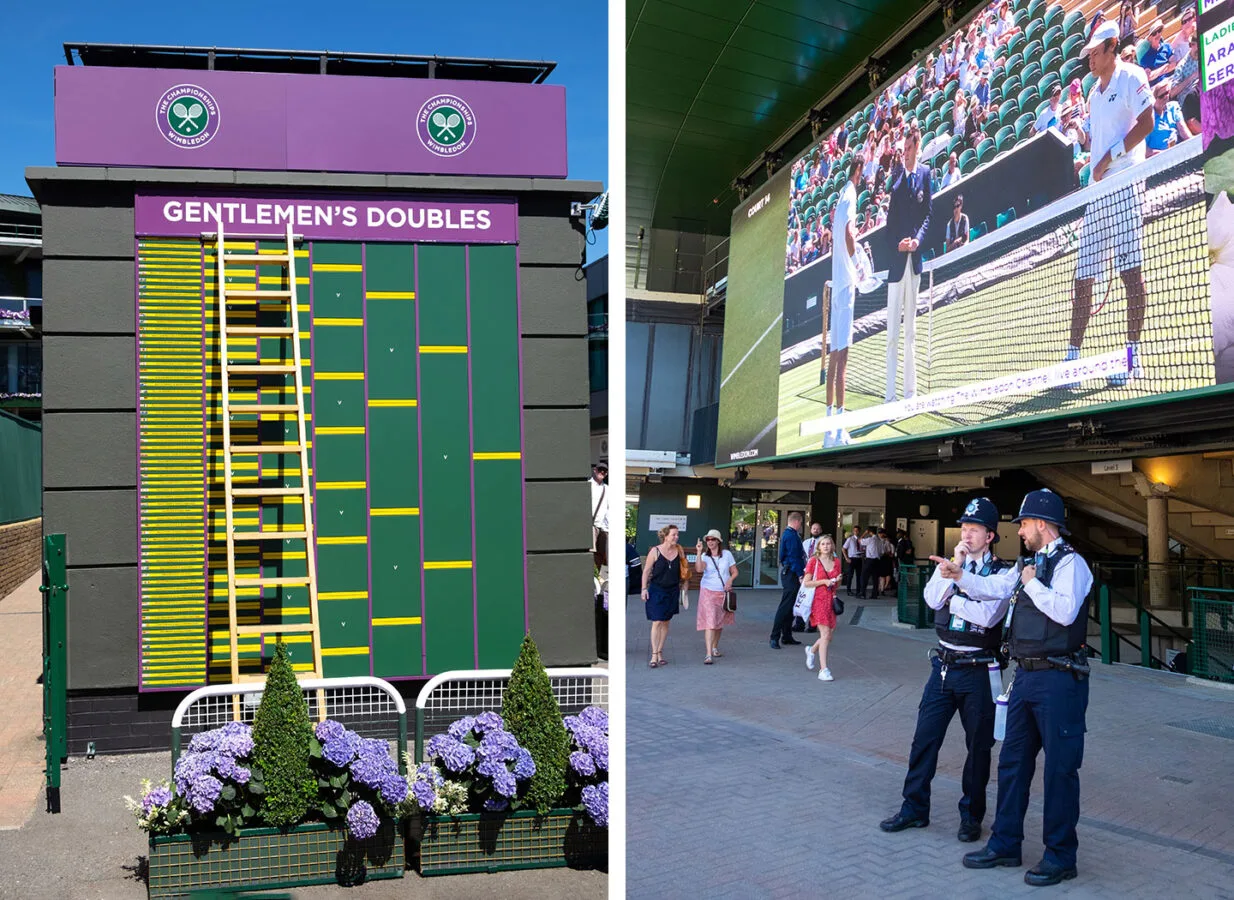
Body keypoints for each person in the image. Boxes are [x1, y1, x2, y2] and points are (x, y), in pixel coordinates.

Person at [963, 489, 1094, 887]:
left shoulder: (1073, 564)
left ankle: (1060, 856)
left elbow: (1065, 610)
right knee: (1012, 763)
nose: (1018, 530)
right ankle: (1005, 843)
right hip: (1026, 677)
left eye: (1022, 523)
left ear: (1041, 523)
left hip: (1059, 679)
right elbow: (999, 589)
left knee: (1059, 770)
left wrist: (1033, 584)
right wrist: (961, 577)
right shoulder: (1028, 564)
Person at [879, 498, 1012, 843]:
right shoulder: (951, 562)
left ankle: (971, 816)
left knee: (978, 748)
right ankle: (913, 808)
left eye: (974, 529)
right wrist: (955, 566)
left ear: (990, 536)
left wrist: (954, 595)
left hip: (979, 671)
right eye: (964, 528)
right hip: (943, 665)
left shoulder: (1002, 572)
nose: (967, 534)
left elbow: (988, 616)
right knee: (924, 739)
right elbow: (930, 598)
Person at [1067, 21, 1154, 388]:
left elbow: (1148, 122)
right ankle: (1071, 361)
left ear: (1112, 47)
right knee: (1082, 278)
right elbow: (1100, 141)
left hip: (1126, 186)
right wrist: (1090, 157)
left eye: (1096, 52)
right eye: (1088, 54)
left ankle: (1131, 358)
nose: (1090, 59)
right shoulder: (1093, 95)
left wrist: (1107, 158)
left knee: (1130, 274)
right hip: (1098, 194)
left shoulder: (1132, 76)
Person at [884, 120, 932, 403]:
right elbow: (889, 229)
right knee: (892, 332)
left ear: (917, 147)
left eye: (908, 148)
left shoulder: (926, 174)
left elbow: (928, 215)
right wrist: (899, 245)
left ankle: (909, 394)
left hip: (915, 265)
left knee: (911, 332)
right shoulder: (898, 179)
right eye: (903, 149)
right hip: (895, 266)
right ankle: (890, 396)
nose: (904, 152)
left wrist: (917, 241)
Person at [823, 150, 865, 447]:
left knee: (835, 358)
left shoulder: (839, 199)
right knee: (843, 361)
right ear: (859, 170)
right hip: (846, 285)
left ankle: (830, 432)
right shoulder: (850, 195)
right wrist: (859, 265)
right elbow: (850, 235)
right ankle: (839, 431)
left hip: (837, 283)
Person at [640, 524, 689, 668]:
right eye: (674, 534)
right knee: (657, 621)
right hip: (656, 590)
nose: (676, 537)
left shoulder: (679, 551)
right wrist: (644, 589)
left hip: (672, 590)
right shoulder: (655, 551)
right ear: (666, 536)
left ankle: (660, 652)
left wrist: (685, 588)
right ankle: (654, 655)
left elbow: (684, 571)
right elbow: (646, 571)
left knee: (666, 621)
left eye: (677, 534)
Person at [802, 535, 843, 682]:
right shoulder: (814, 561)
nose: (826, 546)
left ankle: (811, 650)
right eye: (823, 544)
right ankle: (823, 669)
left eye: (828, 544)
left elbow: (837, 585)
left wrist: (837, 581)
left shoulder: (836, 562)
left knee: (828, 636)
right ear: (819, 547)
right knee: (825, 634)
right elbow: (806, 582)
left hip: (831, 601)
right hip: (818, 601)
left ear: (832, 546)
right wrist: (824, 581)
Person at [694, 529, 737, 665]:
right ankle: (708, 654)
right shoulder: (705, 556)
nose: (710, 542)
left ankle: (714, 648)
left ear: (718, 541)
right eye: (708, 540)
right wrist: (699, 552)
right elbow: (699, 569)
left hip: (723, 593)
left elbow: (735, 572)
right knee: (710, 623)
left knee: (719, 623)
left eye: (713, 539)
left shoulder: (727, 554)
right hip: (708, 591)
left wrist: (730, 581)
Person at [770, 513, 806, 649]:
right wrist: (800, 574)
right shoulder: (791, 536)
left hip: (790, 572)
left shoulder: (789, 534)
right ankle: (775, 636)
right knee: (785, 606)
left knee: (791, 606)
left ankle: (786, 635)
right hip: (791, 573)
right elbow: (793, 557)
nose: (801, 526)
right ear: (796, 522)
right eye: (801, 523)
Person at [1146, 82, 1191, 155]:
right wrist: (1161, 153)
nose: (1165, 97)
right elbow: (1143, 150)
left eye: (1166, 93)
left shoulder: (1173, 107)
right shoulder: (1148, 119)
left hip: (1177, 150)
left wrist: (1193, 143)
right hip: (1158, 156)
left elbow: (1184, 131)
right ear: (1154, 99)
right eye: (1161, 96)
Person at [1138, 22, 1174, 87]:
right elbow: (1149, 77)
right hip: (1157, 87)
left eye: (1159, 31)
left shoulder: (1167, 46)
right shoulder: (1145, 58)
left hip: (1171, 80)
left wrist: (1157, 73)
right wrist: (1165, 66)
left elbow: (1173, 64)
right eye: (1154, 33)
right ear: (1150, 38)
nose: (1157, 34)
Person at [590, 461, 608, 568]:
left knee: (600, 555)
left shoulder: (607, 489)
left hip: (602, 528)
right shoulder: (588, 485)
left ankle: (596, 576)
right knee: (590, 553)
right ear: (595, 470)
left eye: (605, 471)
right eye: (600, 469)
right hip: (590, 525)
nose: (602, 472)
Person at [859, 526, 882, 599]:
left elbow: (860, 540)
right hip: (877, 560)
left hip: (870, 560)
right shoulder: (879, 540)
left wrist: (864, 533)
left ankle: (863, 593)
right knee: (875, 578)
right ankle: (874, 594)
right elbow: (881, 551)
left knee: (864, 576)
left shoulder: (870, 539)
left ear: (869, 532)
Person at [843, 526, 863, 596]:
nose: (856, 532)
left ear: (859, 531)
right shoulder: (850, 539)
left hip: (859, 558)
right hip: (852, 558)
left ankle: (858, 590)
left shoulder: (861, 539)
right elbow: (843, 548)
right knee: (850, 575)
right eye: (854, 531)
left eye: (857, 530)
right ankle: (848, 590)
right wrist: (846, 558)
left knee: (859, 575)